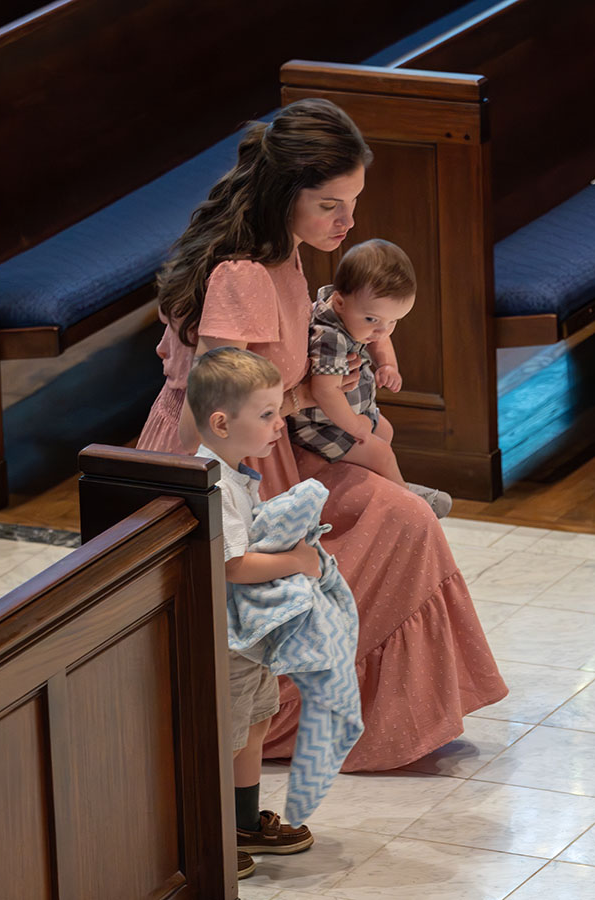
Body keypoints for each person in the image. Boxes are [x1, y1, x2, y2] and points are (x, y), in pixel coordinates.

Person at [138, 97, 507, 770]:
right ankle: (290, 716)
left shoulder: (285, 252)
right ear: (285, 193)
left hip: (274, 447)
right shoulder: (243, 276)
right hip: (228, 468)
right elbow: (214, 412)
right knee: (386, 528)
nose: (348, 221)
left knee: (406, 519)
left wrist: (331, 394)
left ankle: (386, 713)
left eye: (353, 203)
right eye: (331, 204)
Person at [187, 347, 318, 880]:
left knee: (257, 720)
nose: (279, 423)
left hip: (247, 639)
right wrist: (297, 561)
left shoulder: (235, 473)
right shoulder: (215, 484)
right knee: (229, 733)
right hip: (227, 640)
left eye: (278, 411)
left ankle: (243, 822)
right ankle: (212, 833)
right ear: (222, 423)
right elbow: (233, 564)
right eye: (266, 414)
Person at [289, 238, 452, 516]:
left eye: (393, 321)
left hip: (349, 415)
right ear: (339, 302)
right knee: (380, 452)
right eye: (373, 320)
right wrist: (355, 427)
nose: (382, 330)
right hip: (320, 426)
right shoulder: (329, 337)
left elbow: (380, 338)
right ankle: (409, 504)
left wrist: (387, 365)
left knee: (385, 431)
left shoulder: (359, 315)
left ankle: (384, 488)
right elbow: (324, 391)